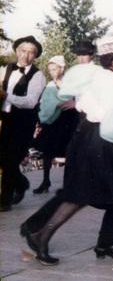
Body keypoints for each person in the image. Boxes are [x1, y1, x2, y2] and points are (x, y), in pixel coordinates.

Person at [22, 36, 113, 273]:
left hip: (88, 136)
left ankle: (41, 236)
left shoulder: (96, 75)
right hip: (103, 140)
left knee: (80, 194)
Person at [0, 35, 46, 211]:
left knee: (11, 159)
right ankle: (21, 183)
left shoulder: (38, 75)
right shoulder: (6, 68)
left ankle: (4, 201)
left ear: (35, 56)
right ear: (17, 51)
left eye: (31, 52)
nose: (26, 56)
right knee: (3, 158)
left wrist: (6, 96)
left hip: (24, 122)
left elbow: (31, 101)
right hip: (6, 119)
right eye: (23, 51)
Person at [32, 55, 79, 193]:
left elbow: (76, 99)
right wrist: (56, 104)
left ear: (62, 68)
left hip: (69, 119)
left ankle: (68, 185)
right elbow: (46, 103)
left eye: (54, 69)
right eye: (50, 70)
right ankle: (45, 181)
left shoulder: (71, 83)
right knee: (47, 151)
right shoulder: (50, 85)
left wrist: (69, 103)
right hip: (53, 121)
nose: (52, 72)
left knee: (69, 152)